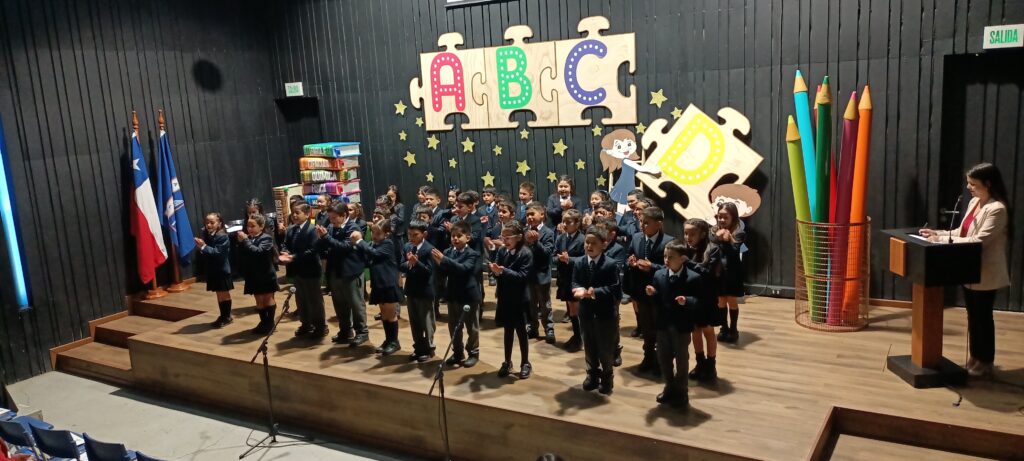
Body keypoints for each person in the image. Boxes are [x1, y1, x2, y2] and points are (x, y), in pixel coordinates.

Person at [920, 163, 1011, 377]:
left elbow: (978, 240)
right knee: (973, 316)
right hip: (968, 269)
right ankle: (975, 357)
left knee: (983, 317)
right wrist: (937, 233)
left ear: (988, 184)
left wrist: (940, 241)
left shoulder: (997, 209)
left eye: (973, 184)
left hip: (985, 272)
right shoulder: (973, 202)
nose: (968, 187)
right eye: (968, 183)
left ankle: (985, 361)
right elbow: (961, 233)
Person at [646, 239, 707, 409]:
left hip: (681, 326)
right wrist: (653, 293)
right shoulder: (659, 275)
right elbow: (658, 300)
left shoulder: (693, 278)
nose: (666, 260)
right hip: (663, 324)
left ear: (682, 258)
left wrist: (686, 301)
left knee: (681, 359)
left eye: (671, 257)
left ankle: (682, 391)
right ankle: (669, 386)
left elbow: (700, 302)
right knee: (663, 357)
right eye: (665, 256)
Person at [573, 225, 621, 395]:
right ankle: (592, 374)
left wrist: (596, 292)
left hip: (605, 313)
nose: (589, 246)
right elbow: (575, 282)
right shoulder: (579, 262)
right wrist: (578, 289)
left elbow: (615, 289)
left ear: (604, 244)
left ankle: (607, 377)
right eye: (587, 242)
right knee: (589, 345)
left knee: (605, 348)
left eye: (594, 243)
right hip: (586, 312)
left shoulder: (610, 264)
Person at [626, 206, 673, 375]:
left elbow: (672, 267)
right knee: (646, 327)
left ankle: (662, 359)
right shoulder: (636, 237)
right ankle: (648, 356)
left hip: (659, 292)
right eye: (641, 222)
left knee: (660, 327)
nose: (642, 225)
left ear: (658, 224)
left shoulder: (668, 242)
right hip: (641, 291)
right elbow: (629, 256)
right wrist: (631, 262)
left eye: (646, 223)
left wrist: (652, 266)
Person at [317, 203, 369, 346]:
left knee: (356, 304)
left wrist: (326, 237)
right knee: (339, 304)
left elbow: (345, 247)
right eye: (330, 217)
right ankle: (345, 331)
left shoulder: (353, 228)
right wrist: (320, 238)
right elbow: (326, 246)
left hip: (351, 272)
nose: (331, 220)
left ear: (344, 215)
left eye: (334, 218)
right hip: (335, 271)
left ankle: (362, 332)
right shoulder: (330, 227)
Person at [434, 221, 482, 368]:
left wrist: (444, 260)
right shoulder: (448, 252)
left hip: (468, 295)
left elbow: (463, 269)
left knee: (472, 327)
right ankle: (458, 353)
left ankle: (473, 353)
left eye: (459, 236)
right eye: (453, 235)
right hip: (453, 294)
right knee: (454, 326)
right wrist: (439, 264)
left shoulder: (473, 254)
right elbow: (444, 272)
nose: (455, 238)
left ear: (468, 238)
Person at [489, 221, 534, 379]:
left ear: (519, 237)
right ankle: (507, 362)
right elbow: (497, 272)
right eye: (503, 237)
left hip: (520, 299)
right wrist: (495, 272)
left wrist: (503, 271)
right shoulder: (502, 251)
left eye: (508, 237)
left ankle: (525, 363)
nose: (505, 240)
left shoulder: (526, 253)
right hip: (505, 297)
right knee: (507, 331)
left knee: (521, 332)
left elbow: (522, 277)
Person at [353, 219, 401, 355]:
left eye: (378, 233)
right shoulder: (374, 244)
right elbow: (369, 259)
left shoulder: (388, 244)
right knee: (384, 314)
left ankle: (394, 342)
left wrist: (360, 241)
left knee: (390, 314)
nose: (374, 236)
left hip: (388, 283)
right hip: (378, 282)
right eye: (373, 233)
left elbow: (375, 254)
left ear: (387, 233)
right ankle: (388, 340)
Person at [682, 218, 722, 381]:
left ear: (703, 234)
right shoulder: (684, 249)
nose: (688, 237)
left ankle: (711, 365)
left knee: (708, 330)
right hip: (691, 296)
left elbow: (709, 274)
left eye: (692, 234)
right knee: (695, 330)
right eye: (686, 233)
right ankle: (700, 363)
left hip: (707, 296)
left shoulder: (713, 249)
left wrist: (689, 264)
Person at [281, 203, 328, 338]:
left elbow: (313, 250)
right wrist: (285, 252)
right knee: (301, 299)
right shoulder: (291, 229)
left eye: (298, 213)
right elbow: (285, 244)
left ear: (307, 214)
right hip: (297, 270)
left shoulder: (312, 230)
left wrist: (293, 257)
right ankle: (306, 324)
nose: (294, 215)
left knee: (314, 300)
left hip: (311, 269)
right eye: (293, 213)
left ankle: (320, 326)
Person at [235, 214, 280, 335]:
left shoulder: (266, 238)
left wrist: (245, 240)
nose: (249, 229)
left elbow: (258, 252)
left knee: (267, 298)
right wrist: (240, 243)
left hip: (265, 274)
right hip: (253, 274)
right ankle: (263, 322)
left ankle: (270, 323)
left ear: (261, 226)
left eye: (252, 226)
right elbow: (243, 254)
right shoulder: (248, 238)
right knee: (259, 300)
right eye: (248, 226)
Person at [401, 219, 437, 362]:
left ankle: (428, 348)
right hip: (411, 290)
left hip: (425, 291)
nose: (411, 238)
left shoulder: (429, 249)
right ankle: (418, 347)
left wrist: (417, 263)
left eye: (415, 235)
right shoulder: (407, 246)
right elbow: (401, 265)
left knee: (426, 321)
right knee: (414, 321)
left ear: (424, 234)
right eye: (409, 234)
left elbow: (429, 271)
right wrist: (409, 264)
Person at [710, 202, 746, 344]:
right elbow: (711, 247)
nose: (722, 220)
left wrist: (728, 239)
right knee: (721, 301)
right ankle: (723, 328)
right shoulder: (713, 230)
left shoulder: (739, 233)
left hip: (733, 272)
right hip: (718, 272)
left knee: (732, 300)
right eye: (720, 216)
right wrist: (718, 238)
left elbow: (734, 251)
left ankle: (733, 329)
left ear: (733, 218)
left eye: (726, 217)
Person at [194, 212, 234, 328]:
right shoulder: (207, 234)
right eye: (207, 222)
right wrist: (202, 247)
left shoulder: (222, 236)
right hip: (213, 269)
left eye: (212, 222)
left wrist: (204, 247)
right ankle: (223, 315)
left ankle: (227, 316)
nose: (209, 225)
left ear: (219, 223)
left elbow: (218, 253)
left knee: (223, 293)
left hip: (222, 270)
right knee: (219, 293)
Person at [525, 202, 556, 343]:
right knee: (530, 304)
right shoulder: (525, 231)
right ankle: (533, 328)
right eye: (527, 215)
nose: (529, 217)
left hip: (541, 275)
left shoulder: (548, 232)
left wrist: (536, 242)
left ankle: (549, 329)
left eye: (532, 214)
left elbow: (547, 253)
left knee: (545, 305)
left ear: (542, 215)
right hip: (528, 275)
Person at [555, 209, 586, 352]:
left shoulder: (583, 239)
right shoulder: (561, 238)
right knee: (570, 308)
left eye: (568, 222)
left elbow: (585, 259)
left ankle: (581, 338)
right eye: (563, 221)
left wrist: (569, 259)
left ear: (577, 223)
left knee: (576, 309)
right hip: (564, 278)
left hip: (577, 278)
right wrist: (559, 258)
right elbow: (554, 255)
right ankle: (577, 335)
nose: (565, 224)